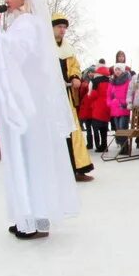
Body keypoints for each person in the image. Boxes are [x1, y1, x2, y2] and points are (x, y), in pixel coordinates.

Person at [0, 0, 79, 239]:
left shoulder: (29, 23)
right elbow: (12, 49)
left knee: (31, 156)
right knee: (25, 156)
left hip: (29, 105)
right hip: (27, 103)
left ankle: (36, 215)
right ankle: (28, 214)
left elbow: (17, 51)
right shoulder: (20, 24)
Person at [51, 12, 95, 181]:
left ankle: (77, 169)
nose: (62, 30)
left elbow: (75, 67)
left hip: (65, 97)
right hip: (49, 98)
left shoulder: (68, 50)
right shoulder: (44, 47)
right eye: (59, 27)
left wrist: (75, 78)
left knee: (71, 131)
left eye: (64, 27)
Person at [106, 63, 132, 154]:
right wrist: (110, 103)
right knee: (117, 129)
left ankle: (125, 147)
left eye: (119, 69)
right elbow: (108, 95)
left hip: (123, 108)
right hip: (114, 109)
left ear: (123, 70)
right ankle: (122, 147)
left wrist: (124, 102)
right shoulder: (112, 82)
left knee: (122, 128)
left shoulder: (127, 81)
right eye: (116, 69)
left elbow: (130, 93)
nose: (117, 71)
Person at [88, 66, 112, 152]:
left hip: (98, 106)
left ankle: (98, 146)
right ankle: (104, 145)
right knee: (104, 128)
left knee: (95, 127)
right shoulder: (110, 81)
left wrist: (89, 96)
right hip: (107, 107)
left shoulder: (95, 81)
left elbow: (93, 95)